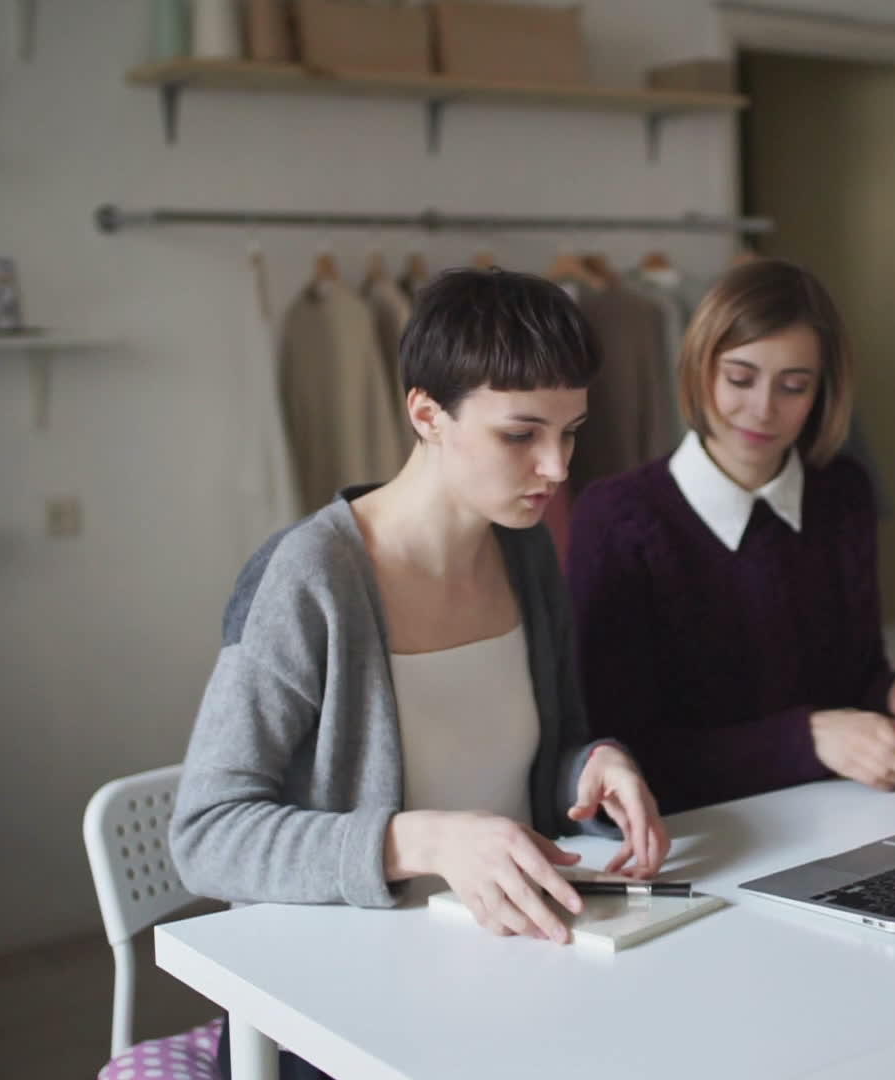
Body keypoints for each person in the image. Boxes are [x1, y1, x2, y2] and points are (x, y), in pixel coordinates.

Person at [171, 268, 671, 1078]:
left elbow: (549, 753)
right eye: (521, 434)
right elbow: (207, 835)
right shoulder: (311, 578)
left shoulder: (525, 546)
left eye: (571, 431)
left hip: (509, 969)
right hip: (342, 1005)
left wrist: (595, 764)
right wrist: (425, 840)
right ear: (426, 413)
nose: (556, 466)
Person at [567, 259, 895, 815]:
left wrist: (893, 689)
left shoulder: (843, 494)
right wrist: (807, 738)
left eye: (793, 387)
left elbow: (849, 681)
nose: (762, 410)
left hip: (841, 816)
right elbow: (622, 755)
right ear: (699, 370)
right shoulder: (617, 517)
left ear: (822, 393)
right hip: (708, 839)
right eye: (740, 379)